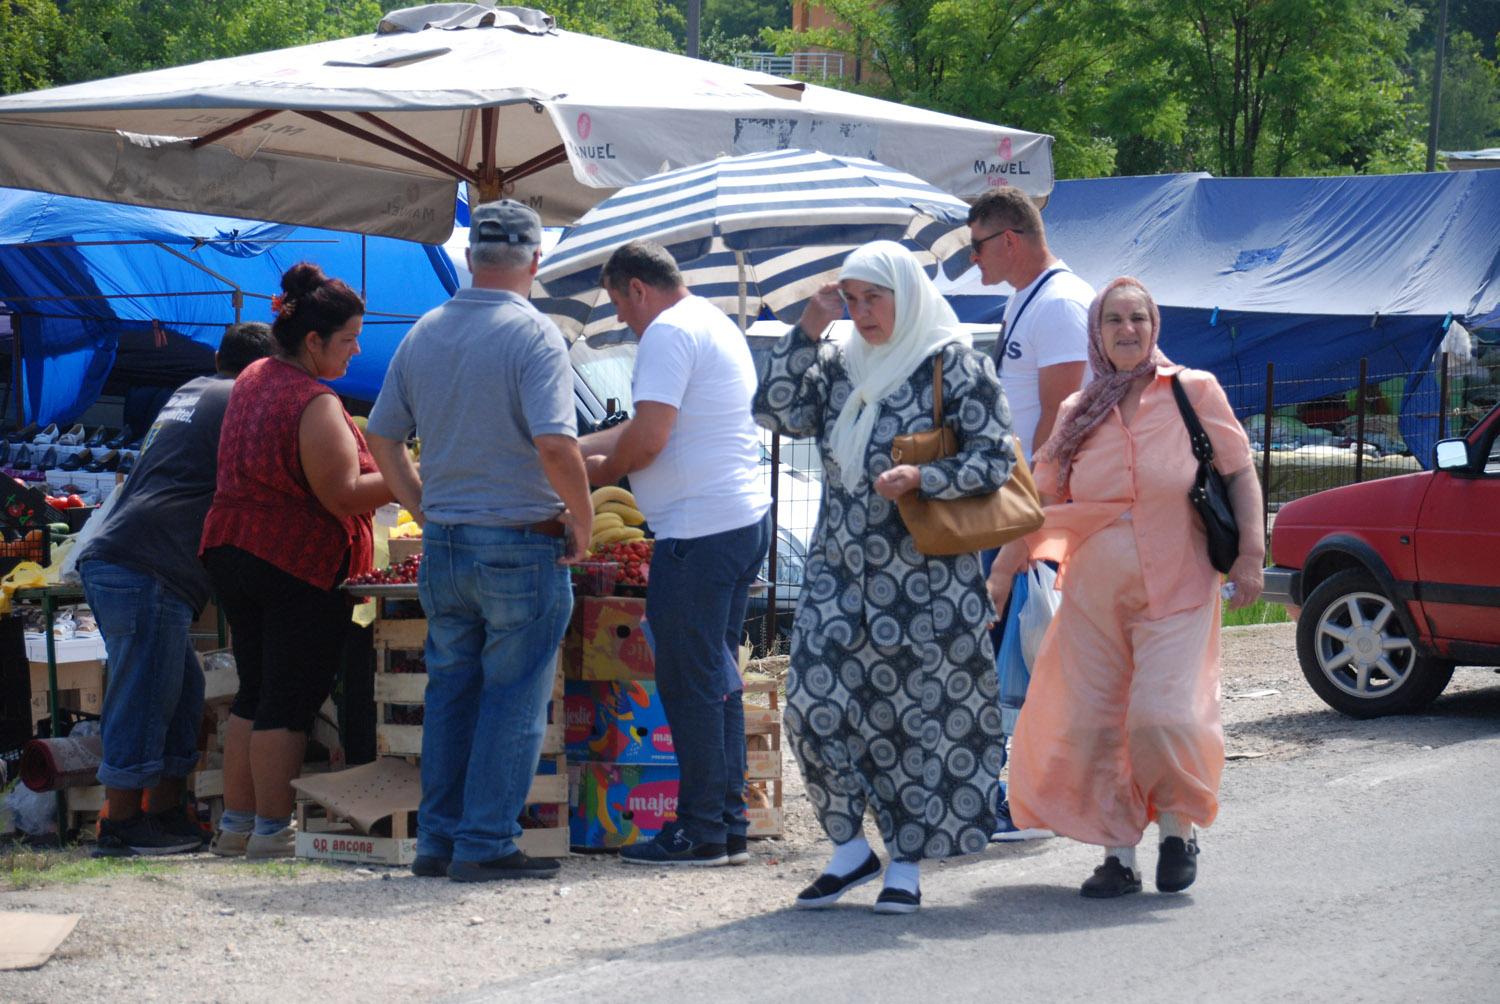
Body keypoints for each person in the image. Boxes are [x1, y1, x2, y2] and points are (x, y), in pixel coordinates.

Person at [753, 240, 1012, 915]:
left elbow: (997, 463)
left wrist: (924, 477)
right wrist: (809, 326)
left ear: (907, 294)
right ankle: (848, 847)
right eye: (853, 299)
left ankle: (906, 861)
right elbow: (776, 412)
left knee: (913, 725)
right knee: (812, 706)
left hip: (926, 582)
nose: (862, 312)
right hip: (839, 573)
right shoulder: (840, 364)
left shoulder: (954, 365)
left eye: (875, 298)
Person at [986, 276, 1264, 899]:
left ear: (1154, 325)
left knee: (1160, 715)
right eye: (1114, 320)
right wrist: (1002, 572)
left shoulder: (1194, 391)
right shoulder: (1076, 412)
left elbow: (1240, 473)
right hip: (1093, 598)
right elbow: (1039, 499)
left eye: (1139, 317)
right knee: (1097, 725)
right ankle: (1119, 856)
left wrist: (1251, 553)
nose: (1128, 329)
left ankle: (1177, 828)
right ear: (1098, 333)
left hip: (1180, 586)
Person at [366, 200, 592, 883]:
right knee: (513, 698)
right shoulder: (534, 334)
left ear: (469, 258)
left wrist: (421, 505)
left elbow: (382, 438)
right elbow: (556, 443)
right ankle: (487, 841)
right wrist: (581, 520)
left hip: (447, 544)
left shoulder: (426, 330)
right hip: (519, 542)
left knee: (452, 693)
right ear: (535, 261)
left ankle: (438, 839)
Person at [580, 240, 771, 869]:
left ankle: (700, 829)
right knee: (716, 679)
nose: (623, 322)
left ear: (638, 288)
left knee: (690, 683)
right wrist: (577, 447)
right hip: (737, 522)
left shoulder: (665, 333)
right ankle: (726, 823)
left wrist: (594, 468)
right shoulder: (712, 321)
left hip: (698, 531)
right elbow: (651, 423)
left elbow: (650, 438)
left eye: (619, 306)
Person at [200, 263, 392, 860]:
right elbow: (342, 494)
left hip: (232, 547)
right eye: (348, 339)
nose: (358, 351)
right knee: (289, 698)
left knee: (255, 693)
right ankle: (272, 833)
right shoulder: (314, 399)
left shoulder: (255, 374)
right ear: (313, 341)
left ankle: (236, 827)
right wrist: (413, 475)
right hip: (294, 558)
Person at [78, 322, 276, 857]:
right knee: (144, 695)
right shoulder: (241, 399)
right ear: (268, 369)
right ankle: (120, 826)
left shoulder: (190, 390)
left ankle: (164, 813)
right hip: (147, 564)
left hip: (124, 557)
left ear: (218, 356)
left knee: (181, 692)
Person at [967, 187, 1093, 839]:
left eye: (978, 245)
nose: (973, 259)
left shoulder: (1063, 304)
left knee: (1022, 654)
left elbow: (1060, 422)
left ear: (1009, 239)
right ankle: (1008, 792)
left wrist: (1025, 516)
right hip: (1013, 497)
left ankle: (1025, 797)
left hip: (1034, 506)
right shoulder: (1028, 297)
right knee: (1008, 651)